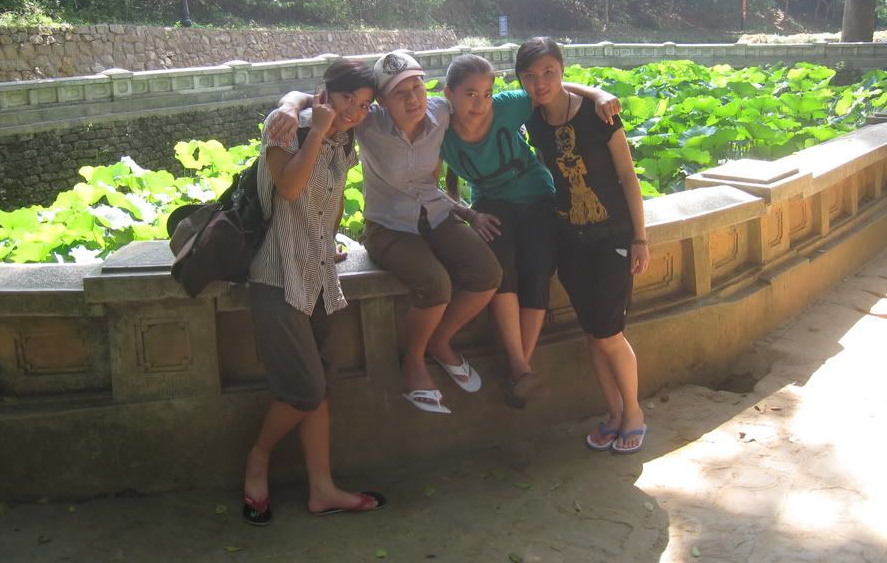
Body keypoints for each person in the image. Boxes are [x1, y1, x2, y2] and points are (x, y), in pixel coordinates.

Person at [267, 50, 502, 415]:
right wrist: (288, 106)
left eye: (417, 87)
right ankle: (413, 360)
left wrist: (468, 212)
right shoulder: (367, 121)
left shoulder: (440, 111)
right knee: (435, 284)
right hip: (388, 225)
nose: (413, 99)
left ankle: (440, 341)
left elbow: (490, 98)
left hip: (436, 213)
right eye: (400, 93)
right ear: (382, 101)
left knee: (488, 274)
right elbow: (312, 99)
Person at [243, 59, 388, 526]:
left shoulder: (344, 140)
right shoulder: (286, 126)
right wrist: (315, 125)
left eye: (363, 105)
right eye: (348, 98)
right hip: (278, 274)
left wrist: (326, 241)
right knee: (304, 389)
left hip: (320, 273)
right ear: (327, 90)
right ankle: (258, 458)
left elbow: (334, 199)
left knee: (322, 385)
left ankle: (322, 489)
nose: (354, 112)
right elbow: (288, 188)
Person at [439, 54, 621, 409]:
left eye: (487, 94)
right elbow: (428, 185)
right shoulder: (439, 130)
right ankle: (521, 367)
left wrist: (597, 93)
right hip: (490, 206)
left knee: (538, 270)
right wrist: (468, 214)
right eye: (470, 94)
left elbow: (551, 87)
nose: (480, 103)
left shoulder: (507, 107)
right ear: (449, 93)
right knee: (502, 271)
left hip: (538, 195)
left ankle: (519, 369)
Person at [516, 37, 651, 454]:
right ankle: (614, 413)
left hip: (612, 237)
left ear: (563, 70)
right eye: (530, 76)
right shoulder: (533, 119)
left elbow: (628, 175)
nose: (540, 83)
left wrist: (640, 237)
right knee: (594, 332)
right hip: (569, 241)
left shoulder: (599, 114)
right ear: (520, 80)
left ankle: (634, 413)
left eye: (549, 72)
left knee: (609, 333)